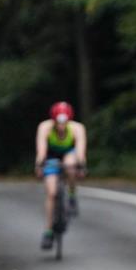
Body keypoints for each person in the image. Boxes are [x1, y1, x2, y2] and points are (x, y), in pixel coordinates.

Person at [34, 101, 87, 249]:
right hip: (51, 156)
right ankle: (48, 231)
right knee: (51, 192)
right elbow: (41, 151)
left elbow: (80, 151)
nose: (61, 126)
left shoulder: (77, 128)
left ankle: (71, 195)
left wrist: (81, 166)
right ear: (54, 120)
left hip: (69, 154)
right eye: (58, 122)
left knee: (70, 165)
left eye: (64, 122)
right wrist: (39, 165)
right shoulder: (45, 127)